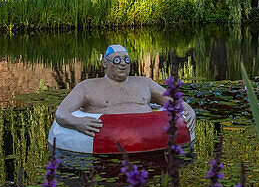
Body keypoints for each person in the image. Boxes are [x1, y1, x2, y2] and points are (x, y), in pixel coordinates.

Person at [54, 44, 195, 136]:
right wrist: (78, 123)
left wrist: (190, 111)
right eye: (117, 60)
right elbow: (61, 113)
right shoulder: (87, 86)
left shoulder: (144, 83)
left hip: (152, 139)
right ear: (105, 63)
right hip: (105, 143)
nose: (122, 64)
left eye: (126, 60)